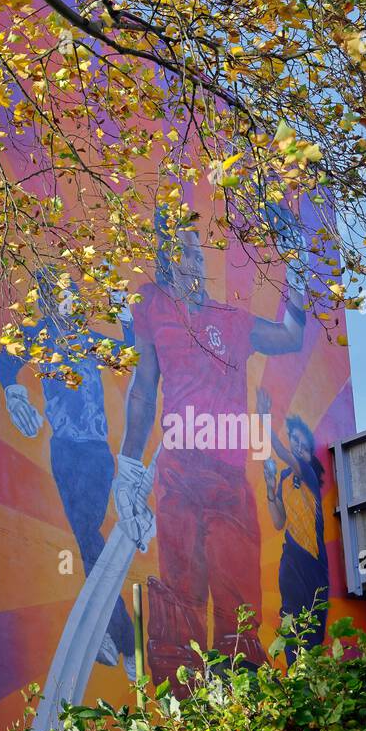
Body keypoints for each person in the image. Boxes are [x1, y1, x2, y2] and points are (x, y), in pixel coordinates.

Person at [112, 204, 308, 689]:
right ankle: (183, 711)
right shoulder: (151, 306)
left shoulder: (232, 320)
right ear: (166, 259)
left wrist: (295, 262)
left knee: (239, 604)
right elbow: (142, 387)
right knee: (181, 599)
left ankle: (241, 711)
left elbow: (290, 336)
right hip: (179, 473)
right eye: (186, 254)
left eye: (200, 256)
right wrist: (128, 468)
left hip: (228, 482)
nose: (197, 264)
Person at [0, 271, 137, 677]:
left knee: (90, 543)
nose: (71, 303)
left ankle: (117, 636)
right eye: (62, 297)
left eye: (73, 296)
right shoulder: (39, 337)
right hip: (66, 452)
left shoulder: (88, 339)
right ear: (46, 303)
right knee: (89, 542)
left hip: (96, 453)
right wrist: (13, 390)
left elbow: (128, 352)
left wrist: (121, 307)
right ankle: (121, 638)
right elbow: (5, 359)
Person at [257, 387, 329, 664]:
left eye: (303, 445)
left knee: (312, 631)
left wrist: (263, 418)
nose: (298, 447)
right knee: (290, 619)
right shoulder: (286, 477)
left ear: (310, 453)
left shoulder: (308, 473)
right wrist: (270, 489)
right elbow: (277, 521)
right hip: (292, 560)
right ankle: (294, 674)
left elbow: (280, 451)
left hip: (314, 564)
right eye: (294, 441)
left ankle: (309, 680)